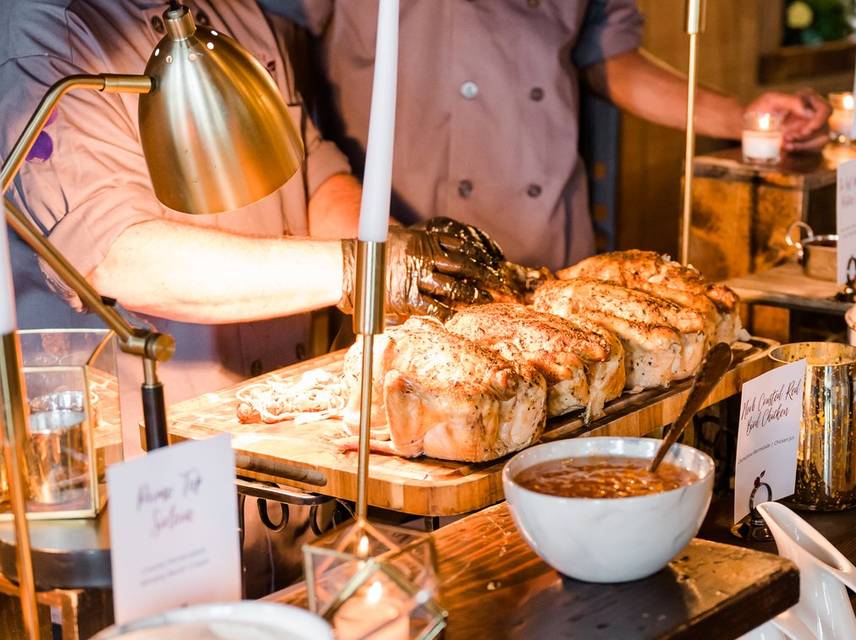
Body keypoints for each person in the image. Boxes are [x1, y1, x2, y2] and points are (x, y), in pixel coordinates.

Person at [0, 0, 497, 597]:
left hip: (293, 474)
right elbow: (120, 254)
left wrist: (397, 250)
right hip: (150, 488)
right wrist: (362, 269)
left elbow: (313, 172)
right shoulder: (46, 31)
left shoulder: (238, 12)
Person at [262, 0, 832, 272]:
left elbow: (609, 56)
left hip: (550, 237)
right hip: (409, 242)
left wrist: (741, 119)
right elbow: (266, 49)